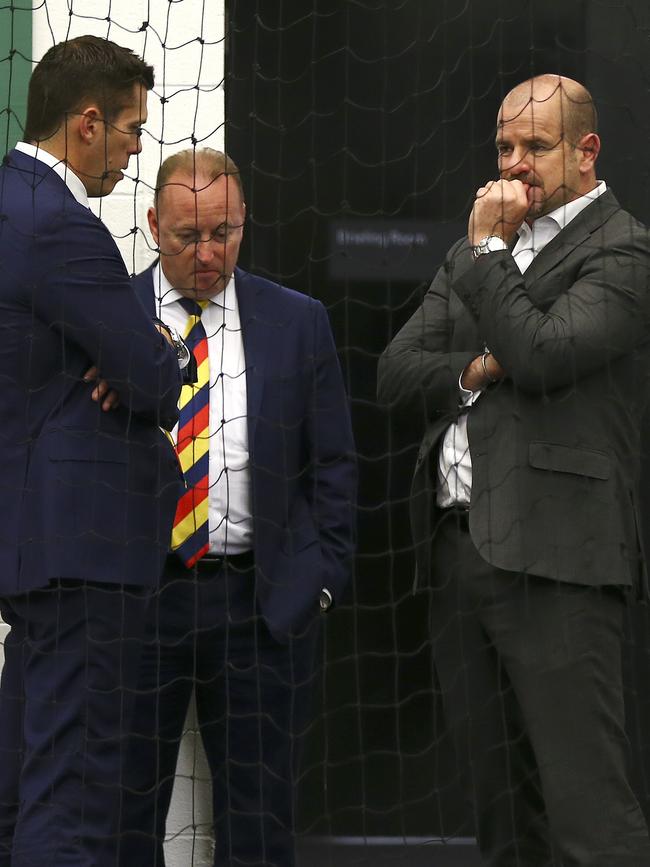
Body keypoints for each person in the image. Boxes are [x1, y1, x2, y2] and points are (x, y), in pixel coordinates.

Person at [377, 74, 650, 866]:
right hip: (463, 553)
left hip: (559, 559)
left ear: (586, 150)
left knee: (589, 816)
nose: (515, 163)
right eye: (505, 146)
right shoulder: (476, 248)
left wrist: (491, 253)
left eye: (536, 146)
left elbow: (544, 353)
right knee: (501, 817)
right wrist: (478, 364)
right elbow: (396, 369)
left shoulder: (623, 246)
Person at [119, 148, 357, 867]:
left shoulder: (297, 321)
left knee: (258, 827)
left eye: (223, 232)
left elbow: (336, 464)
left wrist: (315, 583)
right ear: (155, 223)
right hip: (139, 603)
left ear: (244, 220)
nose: (208, 252)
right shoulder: (109, 316)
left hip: (260, 605)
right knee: (124, 821)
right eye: (189, 235)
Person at [0, 35, 186, 867]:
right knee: (73, 804)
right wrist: (163, 351)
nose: (135, 149)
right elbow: (148, 379)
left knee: (22, 788)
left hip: (36, 552)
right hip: (84, 558)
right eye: (131, 131)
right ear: (86, 124)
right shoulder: (63, 228)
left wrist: (124, 352)